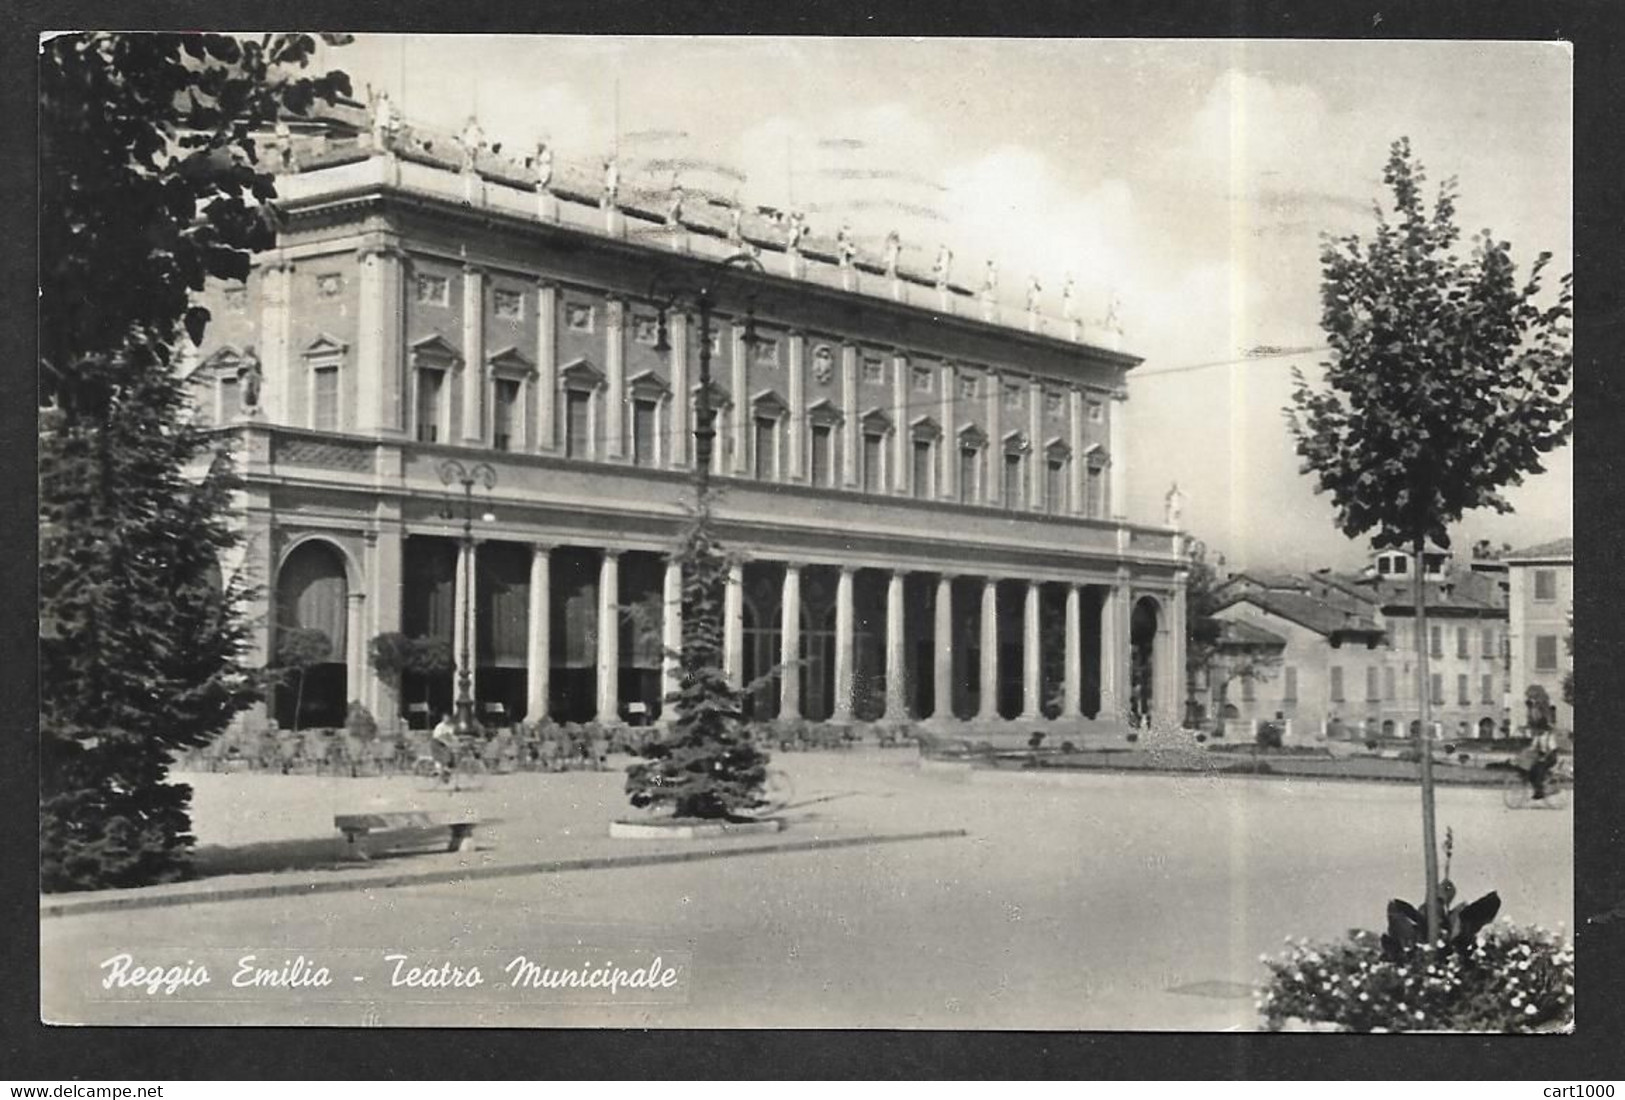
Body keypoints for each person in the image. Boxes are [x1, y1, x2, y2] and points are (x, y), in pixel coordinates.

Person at [1525, 726, 1559, 800]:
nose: (1537, 730)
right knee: (1531, 771)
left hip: (1551, 757)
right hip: (1542, 757)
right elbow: (1532, 748)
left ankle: (1540, 791)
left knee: (1539, 771)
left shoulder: (1549, 737)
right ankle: (1537, 790)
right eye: (1537, 729)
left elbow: (1552, 750)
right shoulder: (1537, 737)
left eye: (1539, 729)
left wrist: (1544, 758)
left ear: (1543, 729)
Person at [431, 713, 458, 780]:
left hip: (445, 743)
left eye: (448, 718)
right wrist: (446, 742)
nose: (447, 719)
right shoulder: (440, 726)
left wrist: (456, 741)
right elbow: (438, 737)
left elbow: (452, 736)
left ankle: (447, 773)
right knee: (443, 756)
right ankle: (438, 770)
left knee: (452, 756)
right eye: (445, 718)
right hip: (437, 743)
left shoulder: (451, 726)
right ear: (443, 719)